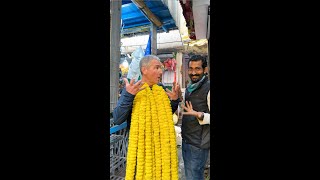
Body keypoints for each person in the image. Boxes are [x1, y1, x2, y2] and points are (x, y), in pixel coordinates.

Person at [112, 55, 181, 179]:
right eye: (157, 68)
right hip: (141, 153)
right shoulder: (131, 90)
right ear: (144, 70)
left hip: (161, 150)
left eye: (161, 68)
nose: (161, 71)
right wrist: (128, 96)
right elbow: (117, 118)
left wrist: (175, 101)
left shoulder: (161, 90)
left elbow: (166, 115)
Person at [181, 55, 211, 180]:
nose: (193, 73)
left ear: (205, 70)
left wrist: (201, 115)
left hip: (198, 145)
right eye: (191, 69)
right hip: (186, 140)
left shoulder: (208, 89)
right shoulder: (189, 87)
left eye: (198, 69)